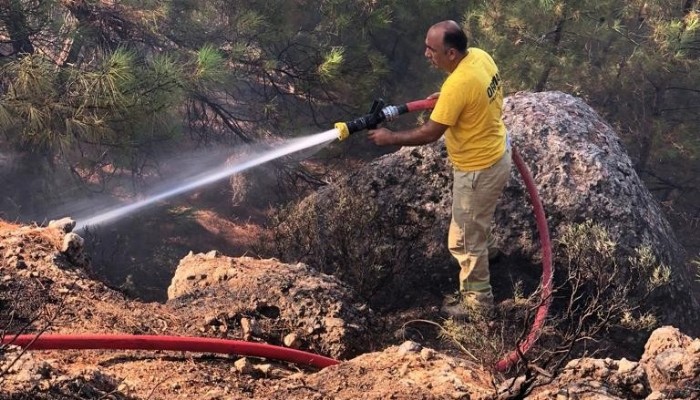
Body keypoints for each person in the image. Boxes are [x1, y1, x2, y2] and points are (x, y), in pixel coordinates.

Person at [368, 20, 511, 318]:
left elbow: (430, 133)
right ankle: (486, 252)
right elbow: (474, 92)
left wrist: (390, 137)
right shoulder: (479, 57)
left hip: (477, 170)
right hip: (497, 155)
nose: (425, 54)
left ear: (452, 53)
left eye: (432, 49)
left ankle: (478, 303)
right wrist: (448, 99)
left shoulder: (459, 84)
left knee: (462, 241)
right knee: (476, 226)